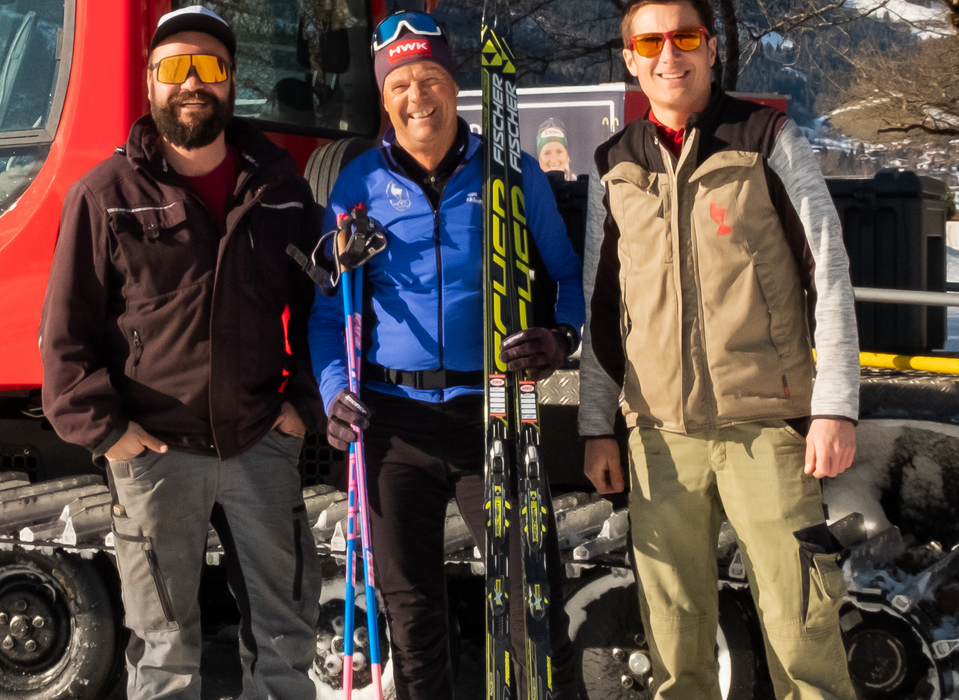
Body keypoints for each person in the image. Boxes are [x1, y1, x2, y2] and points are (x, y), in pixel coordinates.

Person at [39, 6, 326, 700]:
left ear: (232, 84)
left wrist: (302, 404)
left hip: (260, 442)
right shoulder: (104, 198)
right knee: (164, 647)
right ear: (150, 85)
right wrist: (108, 433)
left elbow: (327, 306)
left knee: (285, 633)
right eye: (175, 69)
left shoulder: (281, 190)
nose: (192, 83)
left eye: (210, 68)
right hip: (157, 455)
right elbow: (65, 331)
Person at [577, 0, 860, 697]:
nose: (668, 54)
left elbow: (828, 270)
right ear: (631, 58)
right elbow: (600, 307)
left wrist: (835, 407)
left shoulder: (765, 138)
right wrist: (595, 426)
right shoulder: (614, 164)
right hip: (658, 439)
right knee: (676, 646)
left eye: (685, 37)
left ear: (708, 50)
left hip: (766, 426)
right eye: (650, 41)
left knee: (804, 635)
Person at [307, 12, 586, 700]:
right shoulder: (357, 187)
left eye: (430, 77)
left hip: (491, 410)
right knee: (411, 612)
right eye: (400, 82)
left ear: (453, 84)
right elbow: (324, 311)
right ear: (384, 95)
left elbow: (571, 275)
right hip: (393, 423)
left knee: (529, 596)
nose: (417, 95)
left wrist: (559, 337)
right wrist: (335, 390)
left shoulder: (512, 172)